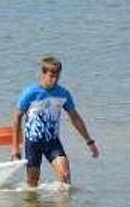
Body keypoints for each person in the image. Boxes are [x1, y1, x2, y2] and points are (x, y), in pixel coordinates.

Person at [11, 56, 99, 186]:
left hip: (52, 142)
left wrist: (89, 141)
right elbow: (17, 118)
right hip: (33, 143)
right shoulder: (30, 93)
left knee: (65, 176)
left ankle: (62, 206)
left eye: (57, 76)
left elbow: (75, 117)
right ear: (43, 73)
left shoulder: (63, 94)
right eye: (51, 76)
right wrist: (15, 148)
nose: (54, 80)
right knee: (32, 185)